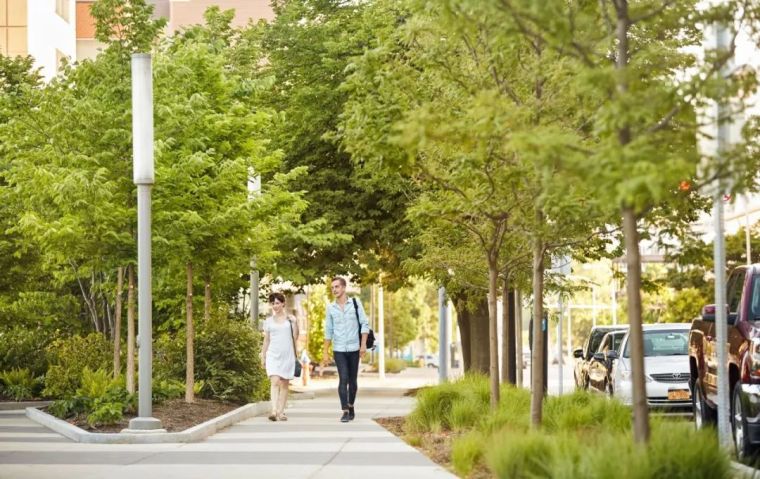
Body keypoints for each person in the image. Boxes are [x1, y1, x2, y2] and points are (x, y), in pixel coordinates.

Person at [322, 277, 370, 423]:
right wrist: (325, 352)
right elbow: (328, 331)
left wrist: (363, 345)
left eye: (336, 287)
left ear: (343, 288)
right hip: (339, 349)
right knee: (343, 378)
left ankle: (351, 405)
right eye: (332, 288)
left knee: (353, 381)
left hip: (355, 348)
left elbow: (364, 324)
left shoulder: (355, 303)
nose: (334, 290)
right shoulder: (331, 308)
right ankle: (345, 410)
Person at [261, 292, 299, 421]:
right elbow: (266, 340)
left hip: (287, 355)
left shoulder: (290, 320)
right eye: (273, 303)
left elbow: (295, 337)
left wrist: (295, 323)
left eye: (277, 303)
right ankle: (273, 410)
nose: (275, 306)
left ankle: (281, 412)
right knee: (275, 381)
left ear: (283, 303)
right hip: (273, 354)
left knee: (284, 384)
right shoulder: (268, 321)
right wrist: (263, 356)